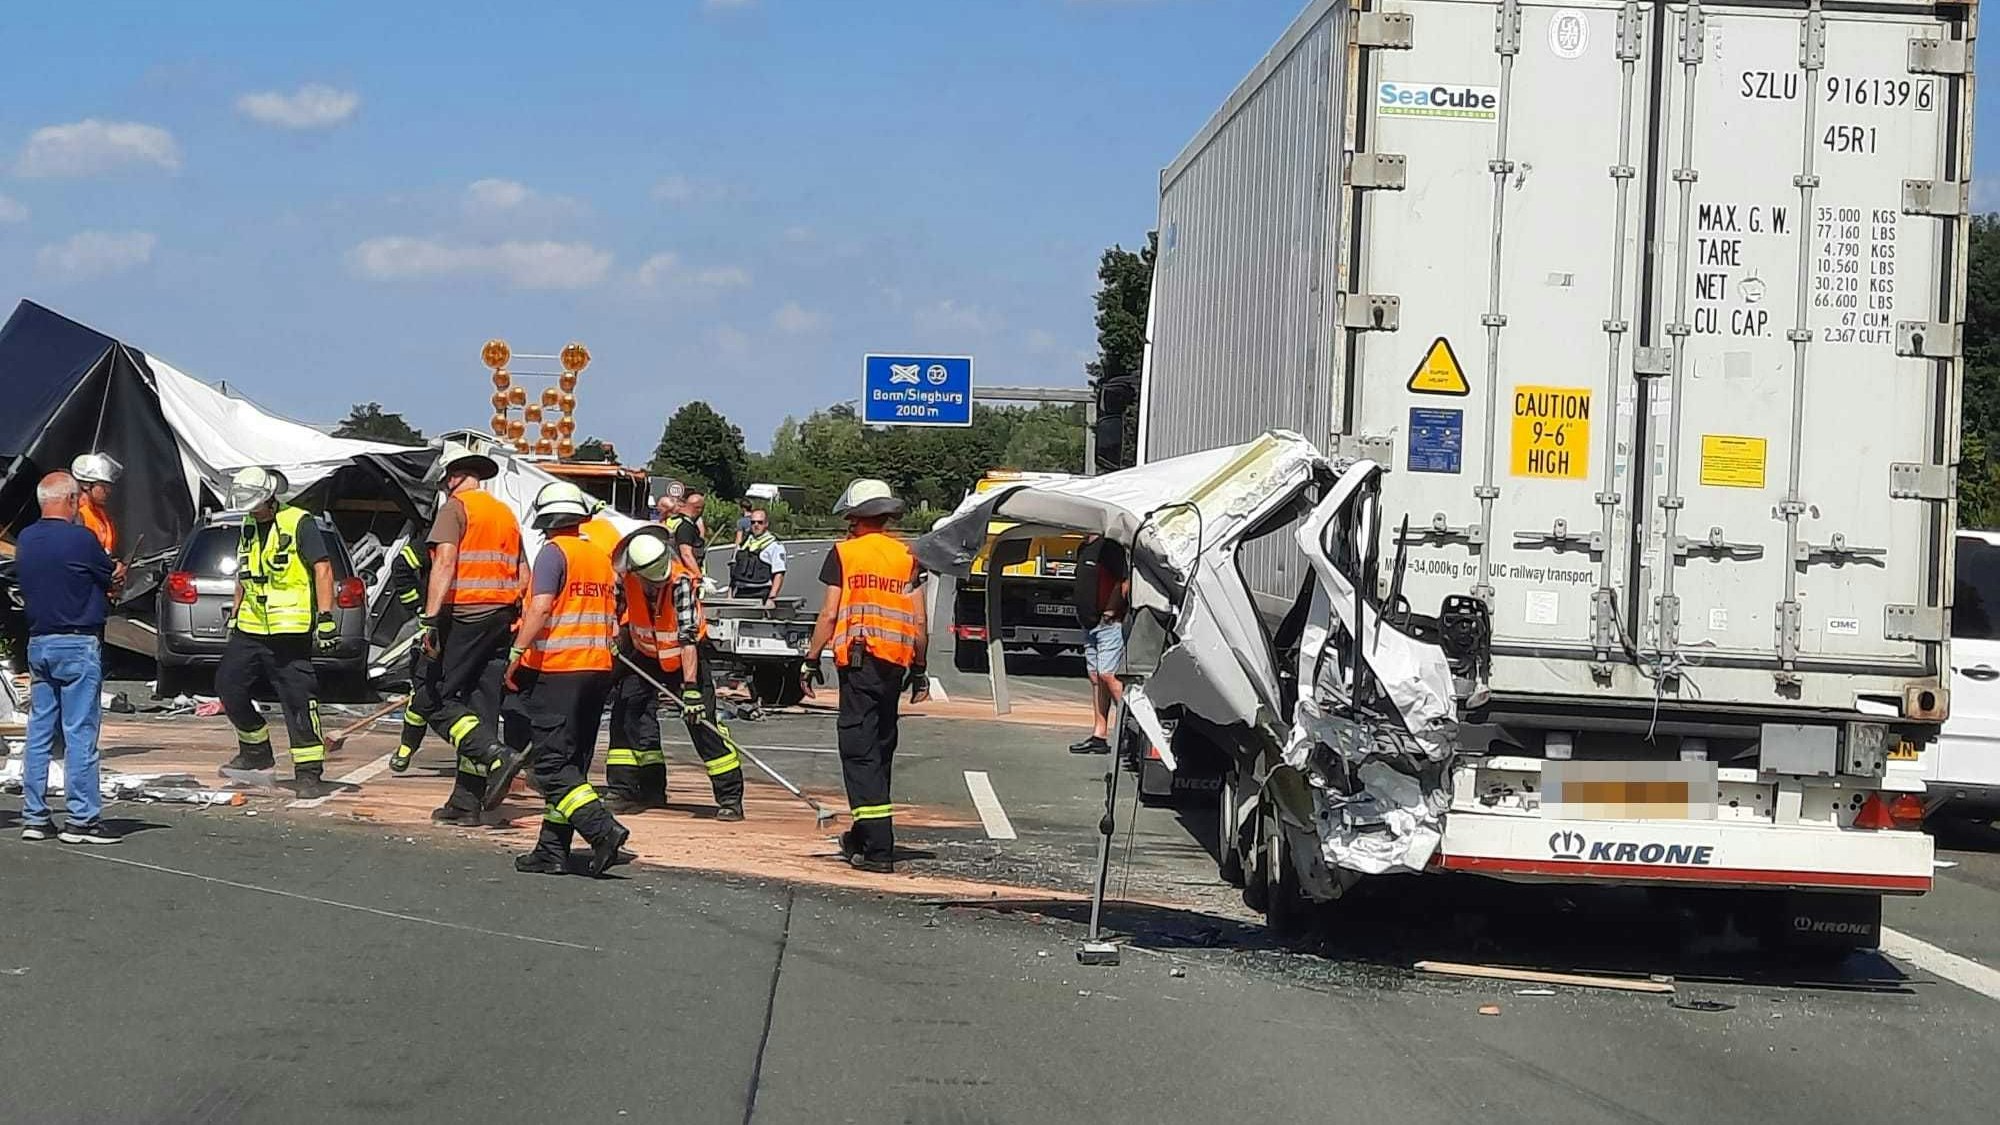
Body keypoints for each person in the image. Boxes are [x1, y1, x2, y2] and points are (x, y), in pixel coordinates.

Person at [502, 480, 631, 875]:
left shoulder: (553, 554)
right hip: (596, 671)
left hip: (559, 670)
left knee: (550, 767)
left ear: (547, 519)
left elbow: (540, 609)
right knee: (571, 764)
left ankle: (601, 829)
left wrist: (515, 654)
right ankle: (551, 849)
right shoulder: (597, 556)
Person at [802, 479, 927, 874]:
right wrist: (920, 669)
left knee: (859, 751)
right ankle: (862, 834)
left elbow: (829, 614)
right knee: (881, 746)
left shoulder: (844, 553)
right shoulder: (909, 555)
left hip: (858, 663)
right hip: (895, 664)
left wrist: (810, 658)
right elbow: (920, 620)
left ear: (855, 517)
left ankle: (878, 849)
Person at [418, 443, 530, 821]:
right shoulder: (505, 514)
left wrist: (430, 619)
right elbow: (523, 573)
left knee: (436, 699)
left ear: (452, 478)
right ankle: (467, 801)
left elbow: (445, 562)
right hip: (502, 617)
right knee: (481, 707)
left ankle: (496, 756)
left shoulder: (455, 509)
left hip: (465, 614)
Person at [603, 530, 745, 819]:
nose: (653, 587)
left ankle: (730, 798)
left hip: (683, 660)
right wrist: (614, 647)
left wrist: (691, 688)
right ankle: (630, 789)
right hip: (644, 655)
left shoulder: (680, 582)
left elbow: (688, 639)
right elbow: (617, 616)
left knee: (701, 723)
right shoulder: (627, 576)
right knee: (627, 713)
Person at [214, 467, 338, 798]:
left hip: (290, 629)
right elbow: (244, 572)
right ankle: (256, 750)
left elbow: (323, 569)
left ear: (269, 496)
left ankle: (309, 773)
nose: (252, 509)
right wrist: (235, 612)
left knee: (298, 700)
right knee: (228, 687)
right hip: (251, 627)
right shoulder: (249, 525)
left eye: (255, 503)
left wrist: (325, 616)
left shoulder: (299, 522)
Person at [13, 472, 118, 844]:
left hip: (39, 643)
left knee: (39, 733)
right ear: (71, 500)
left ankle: (35, 817)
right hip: (77, 643)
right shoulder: (81, 538)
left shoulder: (26, 538)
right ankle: (81, 819)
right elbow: (108, 576)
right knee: (79, 734)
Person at [382, 528, 439, 773]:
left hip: (466, 626)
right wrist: (418, 607)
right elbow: (402, 565)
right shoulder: (439, 538)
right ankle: (407, 747)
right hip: (440, 627)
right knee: (424, 689)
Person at [1069, 533, 1129, 755]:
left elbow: (1124, 581)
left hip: (1109, 625)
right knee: (1096, 678)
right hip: (1090, 624)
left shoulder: (1110, 547)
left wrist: (1111, 610)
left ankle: (1132, 729)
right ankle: (1099, 734)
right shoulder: (1084, 547)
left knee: (1108, 675)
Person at [70, 452, 124, 559]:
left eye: (109, 486)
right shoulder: (76, 516)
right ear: (86, 486)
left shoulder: (100, 513)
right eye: (103, 486)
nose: (108, 491)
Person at [728, 509, 787, 605]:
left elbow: (779, 574)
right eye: (753, 522)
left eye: (760, 522)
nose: (756, 525)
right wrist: (729, 594)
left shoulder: (774, 546)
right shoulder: (744, 544)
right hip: (741, 593)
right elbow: (735, 571)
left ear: (766, 524)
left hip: (761, 593)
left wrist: (771, 598)